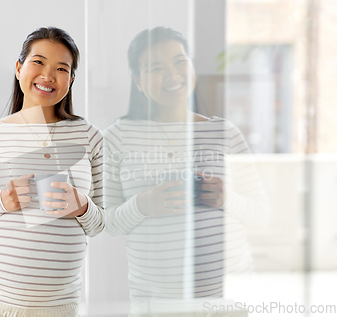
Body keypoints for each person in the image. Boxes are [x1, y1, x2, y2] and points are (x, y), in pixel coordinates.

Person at [103, 27, 270, 315]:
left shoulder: (223, 132)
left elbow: (262, 216)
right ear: (137, 81)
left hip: (229, 299)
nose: (172, 75)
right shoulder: (118, 136)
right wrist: (144, 204)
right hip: (156, 304)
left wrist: (225, 198)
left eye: (180, 61)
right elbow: (108, 223)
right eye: (156, 68)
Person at [0, 27, 104, 317]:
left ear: (72, 80)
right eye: (38, 62)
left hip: (56, 307)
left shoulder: (89, 137)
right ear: (19, 68)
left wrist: (82, 207)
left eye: (61, 68)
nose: (48, 76)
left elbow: (101, 222)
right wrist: (1, 201)